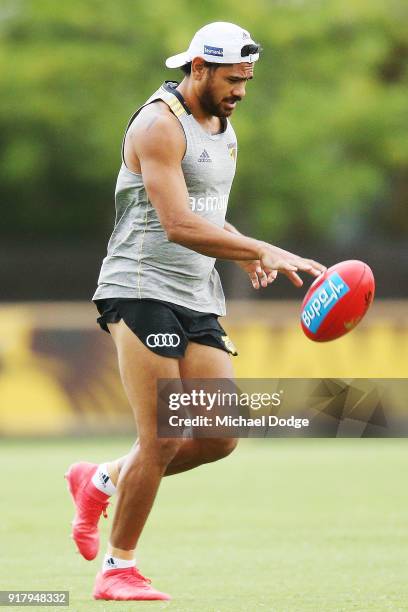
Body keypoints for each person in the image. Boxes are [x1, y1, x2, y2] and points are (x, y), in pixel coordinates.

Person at [65, 21, 326, 601]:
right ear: (199, 69)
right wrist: (257, 248)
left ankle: (100, 478)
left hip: (196, 293)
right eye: (233, 79)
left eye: (247, 80)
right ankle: (117, 568)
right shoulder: (159, 124)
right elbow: (177, 224)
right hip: (140, 286)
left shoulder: (223, 127)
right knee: (161, 433)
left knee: (218, 435)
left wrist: (242, 250)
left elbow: (204, 213)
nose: (241, 91)